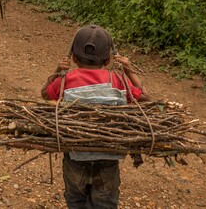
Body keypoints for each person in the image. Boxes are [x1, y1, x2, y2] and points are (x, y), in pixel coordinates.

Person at [41, 25, 148, 209]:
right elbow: (146, 98)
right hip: (108, 159)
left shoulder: (66, 80)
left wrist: (57, 70)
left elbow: (44, 93)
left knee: (76, 202)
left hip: (75, 157)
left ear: (73, 57)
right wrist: (129, 70)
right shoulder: (117, 80)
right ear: (108, 59)